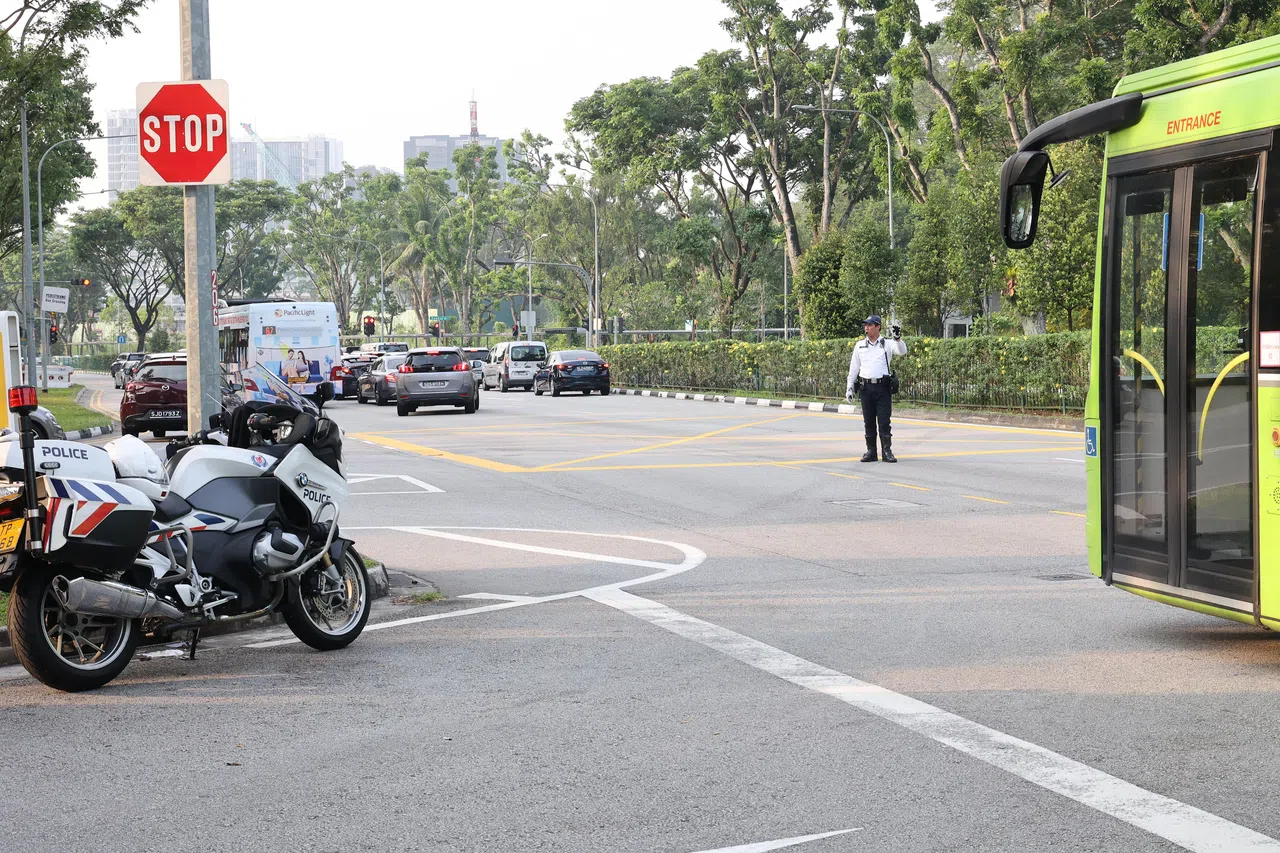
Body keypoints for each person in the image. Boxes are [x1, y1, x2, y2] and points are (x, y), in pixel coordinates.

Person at [845, 315, 907, 463]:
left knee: (884, 421)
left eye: (870, 325)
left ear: (878, 327)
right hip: (866, 388)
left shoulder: (887, 344)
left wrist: (898, 339)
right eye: (865, 325)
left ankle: (887, 451)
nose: (866, 327)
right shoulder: (860, 345)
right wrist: (849, 388)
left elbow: (902, 351)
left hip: (882, 388)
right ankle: (871, 451)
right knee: (868, 421)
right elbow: (854, 369)